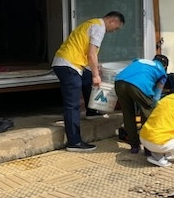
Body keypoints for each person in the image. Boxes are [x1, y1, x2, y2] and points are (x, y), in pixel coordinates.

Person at [52, 11, 125, 152]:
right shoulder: (99, 27)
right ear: (112, 21)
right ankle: (74, 142)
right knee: (72, 104)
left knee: (86, 79)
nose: (114, 31)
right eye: (116, 28)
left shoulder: (91, 23)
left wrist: (94, 69)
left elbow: (86, 52)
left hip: (69, 63)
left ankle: (91, 110)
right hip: (68, 65)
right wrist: (96, 76)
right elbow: (91, 54)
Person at [114, 54, 169, 154]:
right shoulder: (162, 71)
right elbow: (157, 95)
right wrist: (154, 105)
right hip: (138, 86)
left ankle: (134, 147)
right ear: (165, 66)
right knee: (148, 115)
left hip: (119, 82)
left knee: (128, 115)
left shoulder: (138, 61)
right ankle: (148, 149)